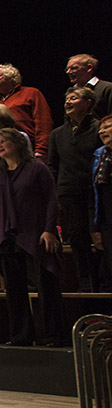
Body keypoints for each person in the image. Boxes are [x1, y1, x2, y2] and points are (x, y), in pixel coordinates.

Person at [0, 129, 65, 346]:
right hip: (8, 237)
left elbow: (51, 200)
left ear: (18, 143)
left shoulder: (37, 168)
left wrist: (50, 230)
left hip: (36, 234)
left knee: (46, 286)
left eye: (4, 141)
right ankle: (21, 336)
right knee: (14, 289)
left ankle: (53, 335)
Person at [48, 87, 101, 291]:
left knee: (100, 237)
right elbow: (53, 165)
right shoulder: (58, 134)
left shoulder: (98, 128)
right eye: (67, 99)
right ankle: (86, 282)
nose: (68, 102)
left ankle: (104, 281)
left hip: (94, 191)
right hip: (68, 192)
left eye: (74, 98)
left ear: (88, 103)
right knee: (77, 237)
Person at [0, 63, 54, 158]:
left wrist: (42, 149)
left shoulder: (31, 93)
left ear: (10, 77)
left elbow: (43, 121)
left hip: (28, 148)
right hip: (2, 152)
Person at [93, 116, 112, 288]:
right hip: (107, 218)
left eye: (107, 127)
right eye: (101, 129)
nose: (101, 131)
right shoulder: (101, 155)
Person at [67, 53, 112, 119]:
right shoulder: (71, 91)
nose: (68, 72)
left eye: (73, 68)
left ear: (89, 68)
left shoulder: (107, 88)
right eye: (67, 69)